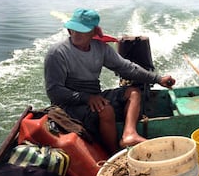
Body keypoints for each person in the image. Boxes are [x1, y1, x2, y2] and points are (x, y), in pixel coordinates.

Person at [44, 8, 175, 154]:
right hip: (68, 106)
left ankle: (129, 134)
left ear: (94, 32)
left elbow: (127, 68)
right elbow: (54, 92)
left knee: (133, 92)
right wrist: (87, 98)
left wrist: (158, 79)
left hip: (94, 97)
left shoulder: (100, 48)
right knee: (105, 110)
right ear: (69, 30)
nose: (77, 33)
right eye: (74, 29)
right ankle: (113, 154)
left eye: (83, 30)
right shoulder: (57, 53)